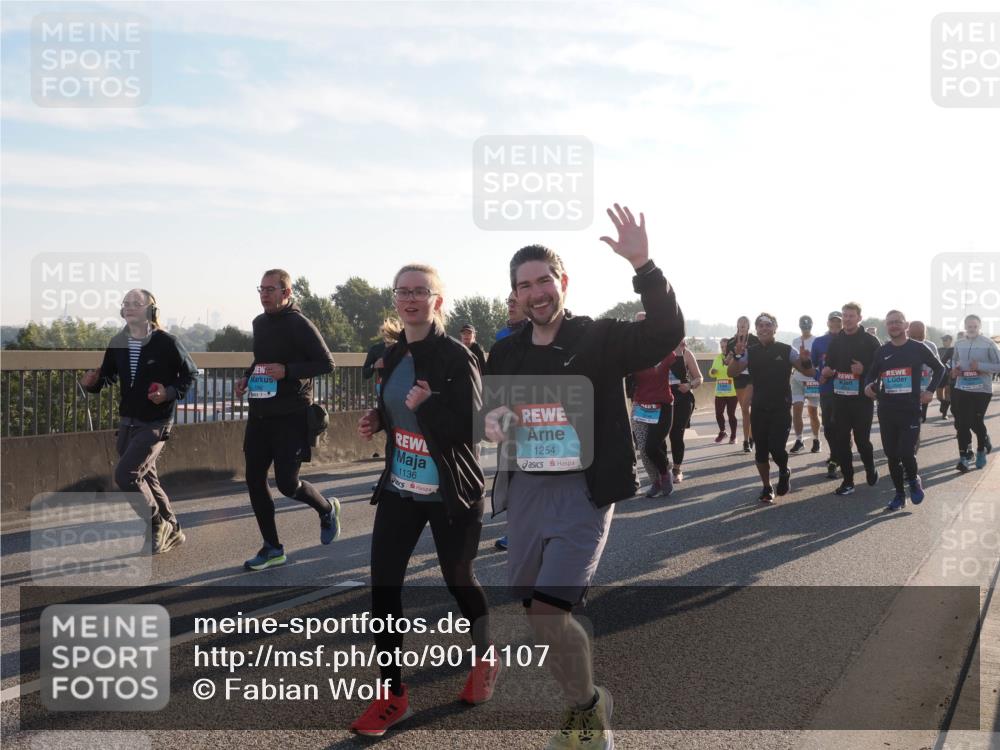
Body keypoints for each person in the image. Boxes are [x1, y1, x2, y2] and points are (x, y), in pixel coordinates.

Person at [484, 204, 684, 750]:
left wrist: (643, 266)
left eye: (544, 280)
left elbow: (667, 331)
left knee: (550, 612)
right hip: (526, 492)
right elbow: (496, 416)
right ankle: (584, 703)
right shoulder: (505, 351)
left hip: (583, 493)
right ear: (516, 296)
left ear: (562, 282)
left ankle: (588, 709)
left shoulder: (599, 337)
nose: (536, 292)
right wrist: (498, 427)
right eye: (524, 285)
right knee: (535, 613)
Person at [352, 263, 494, 736]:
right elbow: (399, 409)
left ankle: (486, 655)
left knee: (458, 577)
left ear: (437, 301)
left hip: (450, 492)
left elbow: (475, 427)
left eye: (421, 291)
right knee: (383, 588)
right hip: (400, 489)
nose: (410, 298)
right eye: (402, 291)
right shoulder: (393, 355)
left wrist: (427, 404)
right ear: (395, 300)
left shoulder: (458, 356)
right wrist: (380, 418)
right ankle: (393, 694)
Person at [235, 270, 340, 571]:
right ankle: (272, 548)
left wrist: (288, 370)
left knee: (286, 484)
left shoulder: (299, 324)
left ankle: (326, 508)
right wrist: (246, 377)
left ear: (287, 292)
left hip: (291, 416)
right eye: (261, 289)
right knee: (254, 479)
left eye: (271, 289)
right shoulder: (259, 323)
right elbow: (260, 360)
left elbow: (327, 363)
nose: (264, 294)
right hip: (259, 414)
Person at [81, 289, 198, 554]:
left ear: (151, 310)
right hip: (128, 420)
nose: (130, 307)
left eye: (137, 303)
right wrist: (91, 384)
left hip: (156, 421)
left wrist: (167, 393)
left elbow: (190, 375)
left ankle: (156, 524)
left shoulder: (167, 342)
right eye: (126, 303)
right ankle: (174, 527)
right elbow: (107, 377)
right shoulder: (117, 342)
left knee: (126, 475)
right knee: (148, 477)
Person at [728, 313, 815, 503]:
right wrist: (737, 355)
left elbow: (809, 372)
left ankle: (784, 471)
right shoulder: (750, 351)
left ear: (775, 328)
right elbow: (731, 372)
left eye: (768, 325)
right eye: (760, 325)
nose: (764, 328)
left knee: (777, 448)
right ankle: (767, 487)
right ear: (756, 330)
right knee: (760, 452)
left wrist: (806, 359)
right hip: (759, 407)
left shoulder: (786, 350)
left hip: (781, 407)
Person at [864, 310, 945, 511]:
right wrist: (868, 386)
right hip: (886, 409)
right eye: (890, 323)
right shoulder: (882, 352)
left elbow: (940, 368)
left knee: (906, 452)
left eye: (897, 322)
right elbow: (871, 375)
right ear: (886, 325)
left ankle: (914, 480)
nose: (894, 326)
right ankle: (899, 495)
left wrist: (930, 391)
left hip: (910, 409)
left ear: (905, 324)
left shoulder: (918, 348)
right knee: (892, 455)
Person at [820, 302, 882, 496]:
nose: (847, 319)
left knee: (862, 440)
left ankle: (870, 467)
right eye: (845, 316)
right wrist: (826, 371)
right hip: (840, 398)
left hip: (862, 399)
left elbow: (880, 369)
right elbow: (828, 366)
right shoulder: (836, 341)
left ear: (859, 318)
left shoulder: (870, 341)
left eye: (851, 316)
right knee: (841, 440)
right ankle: (848, 481)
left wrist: (864, 371)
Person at [626, 311, 676, 497]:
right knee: (644, 451)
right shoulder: (632, 353)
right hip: (640, 406)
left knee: (652, 446)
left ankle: (665, 473)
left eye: (645, 323)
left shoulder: (665, 351)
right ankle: (655, 481)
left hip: (662, 406)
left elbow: (680, 366)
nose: (641, 327)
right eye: (637, 324)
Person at [493, 292, 527, 551]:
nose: (510, 306)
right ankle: (514, 530)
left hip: (541, 422)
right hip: (510, 421)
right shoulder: (502, 339)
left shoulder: (551, 334)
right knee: (511, 477)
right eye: (508, 302)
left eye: (515, 301)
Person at [948, 313, 1000, 472]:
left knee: (975, 422)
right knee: (962, 424)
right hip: (962, 387)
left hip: (981, 390)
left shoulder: (988, 343)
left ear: (980, 327)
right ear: (965, 327)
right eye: (969, 326)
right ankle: (963, 458)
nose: (972, 329)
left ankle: (981, 450)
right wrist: (954, 370)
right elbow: (953, 361)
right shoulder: (960, 343)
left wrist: (980, 366)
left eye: (975, 326)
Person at [809, 312, 844, 479]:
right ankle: (836, 454)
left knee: (843, 426)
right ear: (828, 322)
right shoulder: (819, 342)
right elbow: (811, 365)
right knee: (829, 427)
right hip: (827, 390)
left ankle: (838, 458)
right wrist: (819, 376)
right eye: (833, 321)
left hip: (847, 390)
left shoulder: (849, 340)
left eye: (839, 321)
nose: (835, 324)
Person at [667, 339, 703, 483]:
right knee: (656, 436)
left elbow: (699, 378)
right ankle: (663, 466)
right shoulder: (656, 350)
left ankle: (676, 469)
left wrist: (689, 385)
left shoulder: (686, 353)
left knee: (676, 433)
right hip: (661, 396)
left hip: (682, 397)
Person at [725, 316, 759, 453]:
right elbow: (727, 361)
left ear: (749, 326)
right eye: (740, 322)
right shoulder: (731, 341)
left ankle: (748, 439)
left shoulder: (754, 340)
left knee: (748, 406)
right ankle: (748, 439)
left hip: (752, 376)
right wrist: (732, 355)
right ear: (737, 325)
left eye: (745, 323)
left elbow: (759, 356)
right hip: (738, 377)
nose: (743, 324)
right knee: (745, 410)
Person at [790, 315, 821, 454]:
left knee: (813, 412)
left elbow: (819, 361)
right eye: (803, 324)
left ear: (812, 325)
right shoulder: (795, 341)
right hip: (797, 379)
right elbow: (792, 360)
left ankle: (816, 439)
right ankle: (799, 440)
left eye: (808, 325)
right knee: (796, 410)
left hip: (812, 380)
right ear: (799, 325)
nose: (805, 327)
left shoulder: (816, 341)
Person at [906, 320, 939, 424]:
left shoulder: (931, 345)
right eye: (913, 335)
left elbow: (938, 366)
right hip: (908, 385)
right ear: (908, 332)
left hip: (925, 382)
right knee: (912, 416)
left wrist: (931, 377)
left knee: (921, 414)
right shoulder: (904, 345)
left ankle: (921, 418)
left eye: (920, 334)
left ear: (924, 332)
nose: (917, 338)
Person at [708, 338, 738, 443]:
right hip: (719, 392)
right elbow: (711, 373)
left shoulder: (734, 358)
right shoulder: (717, 358)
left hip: (732, 392)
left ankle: (733, 435)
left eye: (725, 346)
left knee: (731, 414)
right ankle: (722, 431)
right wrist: (712, 371)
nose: (723, 348)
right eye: (721, 347)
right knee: (718, 413)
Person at [937, 334, 955, 420]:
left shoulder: (954, 350)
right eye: (943, 340)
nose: (943, 342)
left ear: (950, 340)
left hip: (949, 375)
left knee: (948, 393)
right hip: (939, 375)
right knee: (939, 396)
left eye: (945, 340)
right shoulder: (938, 350)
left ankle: (944, 413)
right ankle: (944, 404)